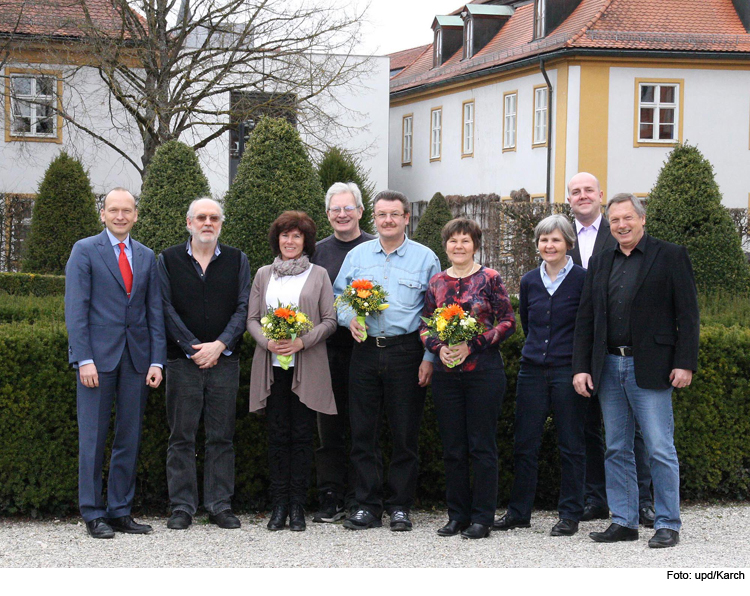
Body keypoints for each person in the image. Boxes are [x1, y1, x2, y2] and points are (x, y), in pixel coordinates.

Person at [573, 193, 699, 548]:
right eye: (614, 220)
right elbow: (587, 319)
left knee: (659, 447)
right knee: (616, 447)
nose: (622, 225)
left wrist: (685, 362)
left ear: (642, 219)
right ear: (608, 224)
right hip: (608, 366)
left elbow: (688, 316)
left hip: (653, 367)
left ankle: (667, 523)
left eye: (627, 218)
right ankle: (624, 521)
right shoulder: (599, 261)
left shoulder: (671, 255)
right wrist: (582, 367)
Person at [334, 189, 440, 532]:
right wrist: (348, 318)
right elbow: (339, 296)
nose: (388, 220)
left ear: (406, 218)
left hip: (406, 352)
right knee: (363, 432)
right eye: (382, 215)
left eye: (395, 214)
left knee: (404, 433)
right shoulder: (358, 255)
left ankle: (399, 506)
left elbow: (433, 312)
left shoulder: (425, 259)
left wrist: (428, 357)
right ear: (373, 218)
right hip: (364, 352)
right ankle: (366, 505)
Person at [65, 187, 166, 539]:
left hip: (136, 360)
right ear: (103, 214)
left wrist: (157, 361)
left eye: (127, 210)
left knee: (129, 435)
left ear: (136, 215)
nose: (120, 216)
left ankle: (120, 509)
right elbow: (76, 310)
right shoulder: (84, 250)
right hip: (97, 360)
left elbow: (154, 312)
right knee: (92, 436)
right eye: (113, 210)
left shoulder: (145, 255)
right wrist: (83, 359)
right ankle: (93, 512)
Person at [567, 172, 655, 528]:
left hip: (625, 346)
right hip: (583, 343)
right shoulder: (561, 234)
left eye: (589, 190)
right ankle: (597, 499)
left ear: (600, 195)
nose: (583, 196)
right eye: (576, 192)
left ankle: (643, 502)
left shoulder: (618, 232)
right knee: (589, 427)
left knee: (635, 432)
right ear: (569, 200)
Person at [158, 198, 251, 531]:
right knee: (181, 437)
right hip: (182, 361)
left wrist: (220, 345)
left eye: (214, 218)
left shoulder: (238, 260)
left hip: (224, 362)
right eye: (201, 218)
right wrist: (192, 348)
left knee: (221, 437)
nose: (207, 223)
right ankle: (182, 506)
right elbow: (164, 308)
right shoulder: (167, 260)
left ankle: (219, 503)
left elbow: (244, 307)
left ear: (221, 224)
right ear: (188, 223)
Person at [420, 218, 515, 539]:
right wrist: (437, 347)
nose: (458, 246)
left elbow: (507, 321)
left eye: (465, 240)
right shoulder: (436, 283)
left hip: (484, 373)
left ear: (475, 244)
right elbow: (424, 325)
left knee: (481, 446)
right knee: (453, 447)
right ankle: (457, 515)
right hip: (447, 377)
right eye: (453, 241)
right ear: (445, 245)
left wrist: (473, 343)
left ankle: (482, 517)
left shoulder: (490, 278)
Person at [493, 215, 586, 537]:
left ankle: (570, 514)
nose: (549, 245)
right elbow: (529, 325)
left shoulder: (583, 280)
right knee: (525, 444)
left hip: (567, 371)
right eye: (544, 240)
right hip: (532, 370)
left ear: (568, 244)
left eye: (556, 240)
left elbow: (586, 329)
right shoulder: (530, 280)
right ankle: (519, 513)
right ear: (537, 245)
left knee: (571, 444)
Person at [247, 211, 337, 531]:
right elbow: (252, 319)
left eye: (297, 236)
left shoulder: (319, 275)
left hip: (306, 366)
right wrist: (266, 342)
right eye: (285, 235)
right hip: (272, 368)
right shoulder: (263, 275)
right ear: (277, 239)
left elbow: (330, 320)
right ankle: (278, 505)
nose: (290, 241)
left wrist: (302, 342)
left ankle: (297, 506)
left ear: (306, 241)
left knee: (301, 435)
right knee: (277, 435)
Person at [311, 182, 375, 523]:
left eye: (348, 208)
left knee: (364, 427)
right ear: (328, 214)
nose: (342, 214)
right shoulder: (317, 252)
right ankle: (331, 495)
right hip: (327, 352)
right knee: (330, 427)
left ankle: (361, 496)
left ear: (361, 212)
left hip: (368, 353)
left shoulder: (375, 248)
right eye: (336, 209)